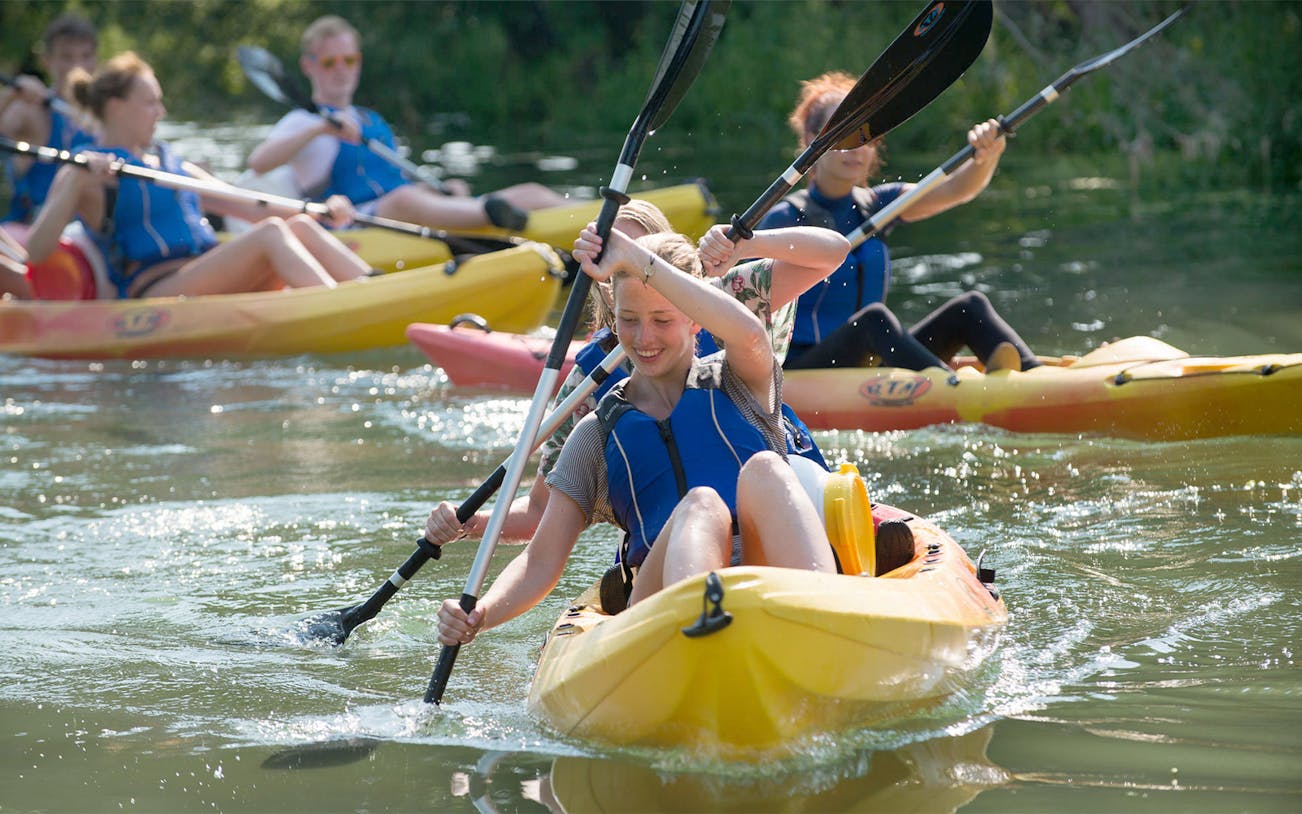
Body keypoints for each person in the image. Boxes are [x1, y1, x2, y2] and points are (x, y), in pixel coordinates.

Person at [436, 224, 839, 646]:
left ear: (696, 320)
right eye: (629, 321)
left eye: (662, 319)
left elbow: (751, 334)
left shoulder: (739, 379)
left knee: (767, 469)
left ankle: (825, 618)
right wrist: (481, 613)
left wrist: (634, 256)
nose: (644, 339)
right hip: (660, 608)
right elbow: (540, 560)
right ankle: (704, 633)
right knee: (700, 505)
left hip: (767, 581)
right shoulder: (596, 432)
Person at [423, 199, 849, 547]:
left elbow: (831, 252)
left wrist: (748, 244)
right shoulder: (586, 382)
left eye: (637, 254)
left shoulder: (733, 293)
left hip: (791, 497)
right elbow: (542, 512)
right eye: (612, 254)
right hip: (682, 539)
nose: (624, 267)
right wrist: (469, 522)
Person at [25, 51, 370, 299]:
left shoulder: (174, 168)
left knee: (299, 227)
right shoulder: (86, 170)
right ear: (117, 107)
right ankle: (346, 307)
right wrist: (72, 175)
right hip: (157, 290)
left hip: (207, 274)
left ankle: (373, 287)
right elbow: (37, 253)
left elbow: (254, 207)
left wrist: (323, 211)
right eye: (150, 103)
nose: (160, 112)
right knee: (272, 235)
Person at [761, 71, 1040, 374]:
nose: (857, 148)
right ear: (811, 142)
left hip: (872, 352)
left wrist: (986, 156)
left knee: (969, 308)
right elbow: (749, 307)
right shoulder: (785, 219)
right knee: (874, 320)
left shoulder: (877, 206)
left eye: (864, 137)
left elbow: (958, 189)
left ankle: (1037, 379)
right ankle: (950, 390)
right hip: (806, 370)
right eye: (844, 134)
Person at [246, 15, 566, 233]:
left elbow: (400, 182)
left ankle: (597, 220)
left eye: (350, 59)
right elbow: (258, 163)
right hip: (357, 223)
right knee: (404, 201)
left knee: (530, 191)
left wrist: (438, 190)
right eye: (330, 62)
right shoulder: (303, 120)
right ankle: (490, 215)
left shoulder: (371, 120)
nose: (341, 70)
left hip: (407, 211)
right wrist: (320, 128)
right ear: (309, 66)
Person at [1, 14, 98, 230]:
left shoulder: (107, 113)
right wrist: (9, 96)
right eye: (66, 57)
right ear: (47, 61)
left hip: (92, 230)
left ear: (96, 58)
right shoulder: (32, 110)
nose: (77, 66)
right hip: (36, 227)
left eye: (85, 56)